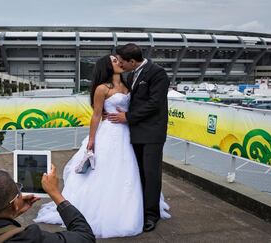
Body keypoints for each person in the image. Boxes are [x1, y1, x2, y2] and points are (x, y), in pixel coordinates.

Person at [34, 55, 170, 238]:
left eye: (119, 60)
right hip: (109, 133)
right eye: (115, 61)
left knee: (128, 171)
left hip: (127, 132)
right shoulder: (101, 88)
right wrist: (91, 140)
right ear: (107, 66)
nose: (119, 63)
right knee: (105, 171)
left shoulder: (128, 82)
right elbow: (96, 115)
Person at [107, 43, 170, 232]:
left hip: (152, 133)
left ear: (132, 61)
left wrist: (127, 117)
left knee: (151, 175)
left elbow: (154, 103)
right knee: (139, 173)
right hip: (135, 132)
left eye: (122, 62)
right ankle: (140, 209)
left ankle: (151, 215)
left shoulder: (157, 73)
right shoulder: (132, 74)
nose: (120, 64)